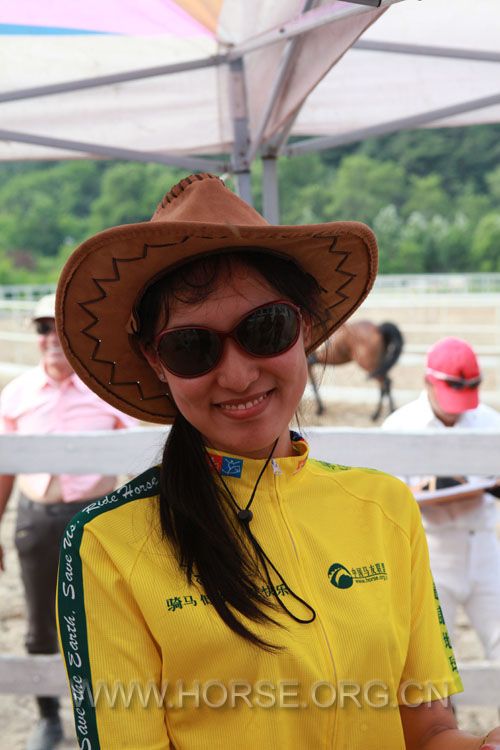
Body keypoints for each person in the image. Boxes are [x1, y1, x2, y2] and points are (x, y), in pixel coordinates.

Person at [55, 173, 500, 750]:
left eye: (266, 329)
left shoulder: (385, 507)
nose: (238, 375)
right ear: (156, 361)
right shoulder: (107, 545)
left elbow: (428, 730)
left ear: (305, 329)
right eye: (191, 347)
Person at [0, 293, 137, 750]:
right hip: (37, 519)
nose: (52, 338)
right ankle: (48, 718)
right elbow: (5, 467)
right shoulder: (16, 394)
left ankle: (103, 716)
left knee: (103, 620)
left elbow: (136, 456)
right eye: (43, 329)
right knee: (40, 622)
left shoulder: (106, 390)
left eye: (59, 327)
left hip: (94, 520)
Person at [382, 337, 500, 661]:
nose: (456, 407)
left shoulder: (491, 422)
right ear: (427, 382)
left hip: (483, 544)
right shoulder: (399, 426)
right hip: (431, 549)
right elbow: (389, 499)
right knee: (436, 657)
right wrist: (428, 489)